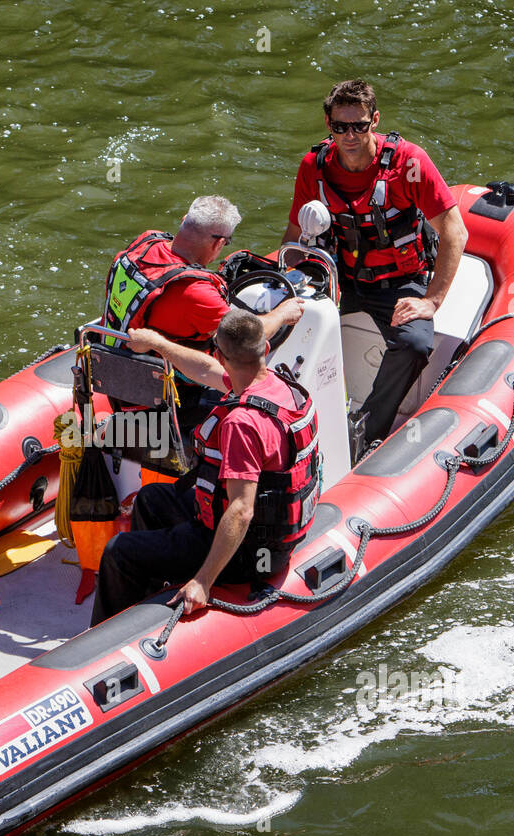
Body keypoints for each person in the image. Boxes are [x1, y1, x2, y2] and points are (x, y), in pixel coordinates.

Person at [90, 309, 320, 626]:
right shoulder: (277, 387)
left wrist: (203, 580)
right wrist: (158, 343)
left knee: (119, 550)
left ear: (220, 354)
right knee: (151, 499)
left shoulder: (242, 423)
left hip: (250, 553)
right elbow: (205, 370)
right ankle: (149, 595)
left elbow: (241, 510)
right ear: (264, 349)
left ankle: (106, 636)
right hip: (267, 530)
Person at [281, 79, 468, 449]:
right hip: (339, 276)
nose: (349, 135)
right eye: (340, 127)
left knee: (415, 343)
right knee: (284, 326)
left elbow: (455, 233)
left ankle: (365, 429)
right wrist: (289, 286)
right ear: (328, 125)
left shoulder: (409, 163)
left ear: (375, 121)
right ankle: (291, 419)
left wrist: (431, 301)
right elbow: (292, 236)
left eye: (359, 125)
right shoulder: (313, 167)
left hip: (398, 281)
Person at [106, 195, 302, 349]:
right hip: (171, 387)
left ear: (184, 220)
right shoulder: (196, 292)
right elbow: (245, 339)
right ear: (219, 243)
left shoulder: (147, 240)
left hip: (113, 352)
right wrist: (281, 314)